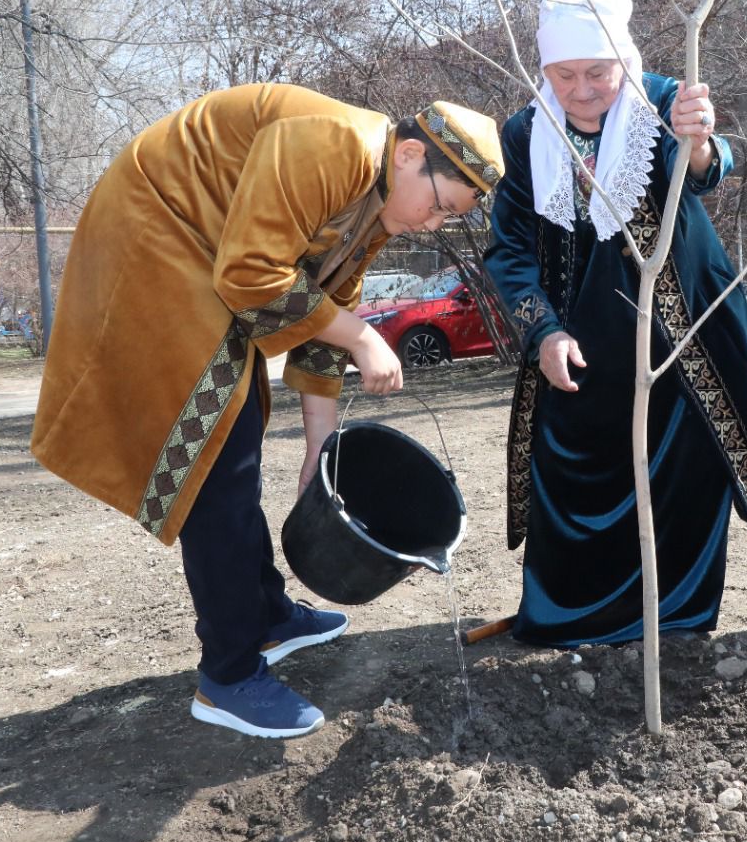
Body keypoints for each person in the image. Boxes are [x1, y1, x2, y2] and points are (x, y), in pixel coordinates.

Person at [31, 83, 503, 737]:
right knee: (214, 457)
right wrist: (366, 337)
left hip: (210, 259)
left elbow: (324, 310)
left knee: (239, 430)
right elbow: (252, 279)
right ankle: (226, 675)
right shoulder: (332, 144)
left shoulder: (372, 203)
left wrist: (320, 448)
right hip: (159, 236)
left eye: (448, 219)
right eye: (440, 205)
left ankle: (266, 615)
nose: (432, 224)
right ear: (411, 154)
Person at [483, 0, 747, 647]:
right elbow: (508, 249)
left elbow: (711, 170)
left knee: (683, 474)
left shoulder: (660, 101)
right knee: (566, 468)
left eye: (596, 73)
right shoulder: (524, 132)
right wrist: (542, 330)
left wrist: (701, 137)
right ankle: (567, 618)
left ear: (621, 63)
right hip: (577, 342)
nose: (581, 90)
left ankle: (675, 619)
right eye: (563, 75)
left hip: (680, 336)